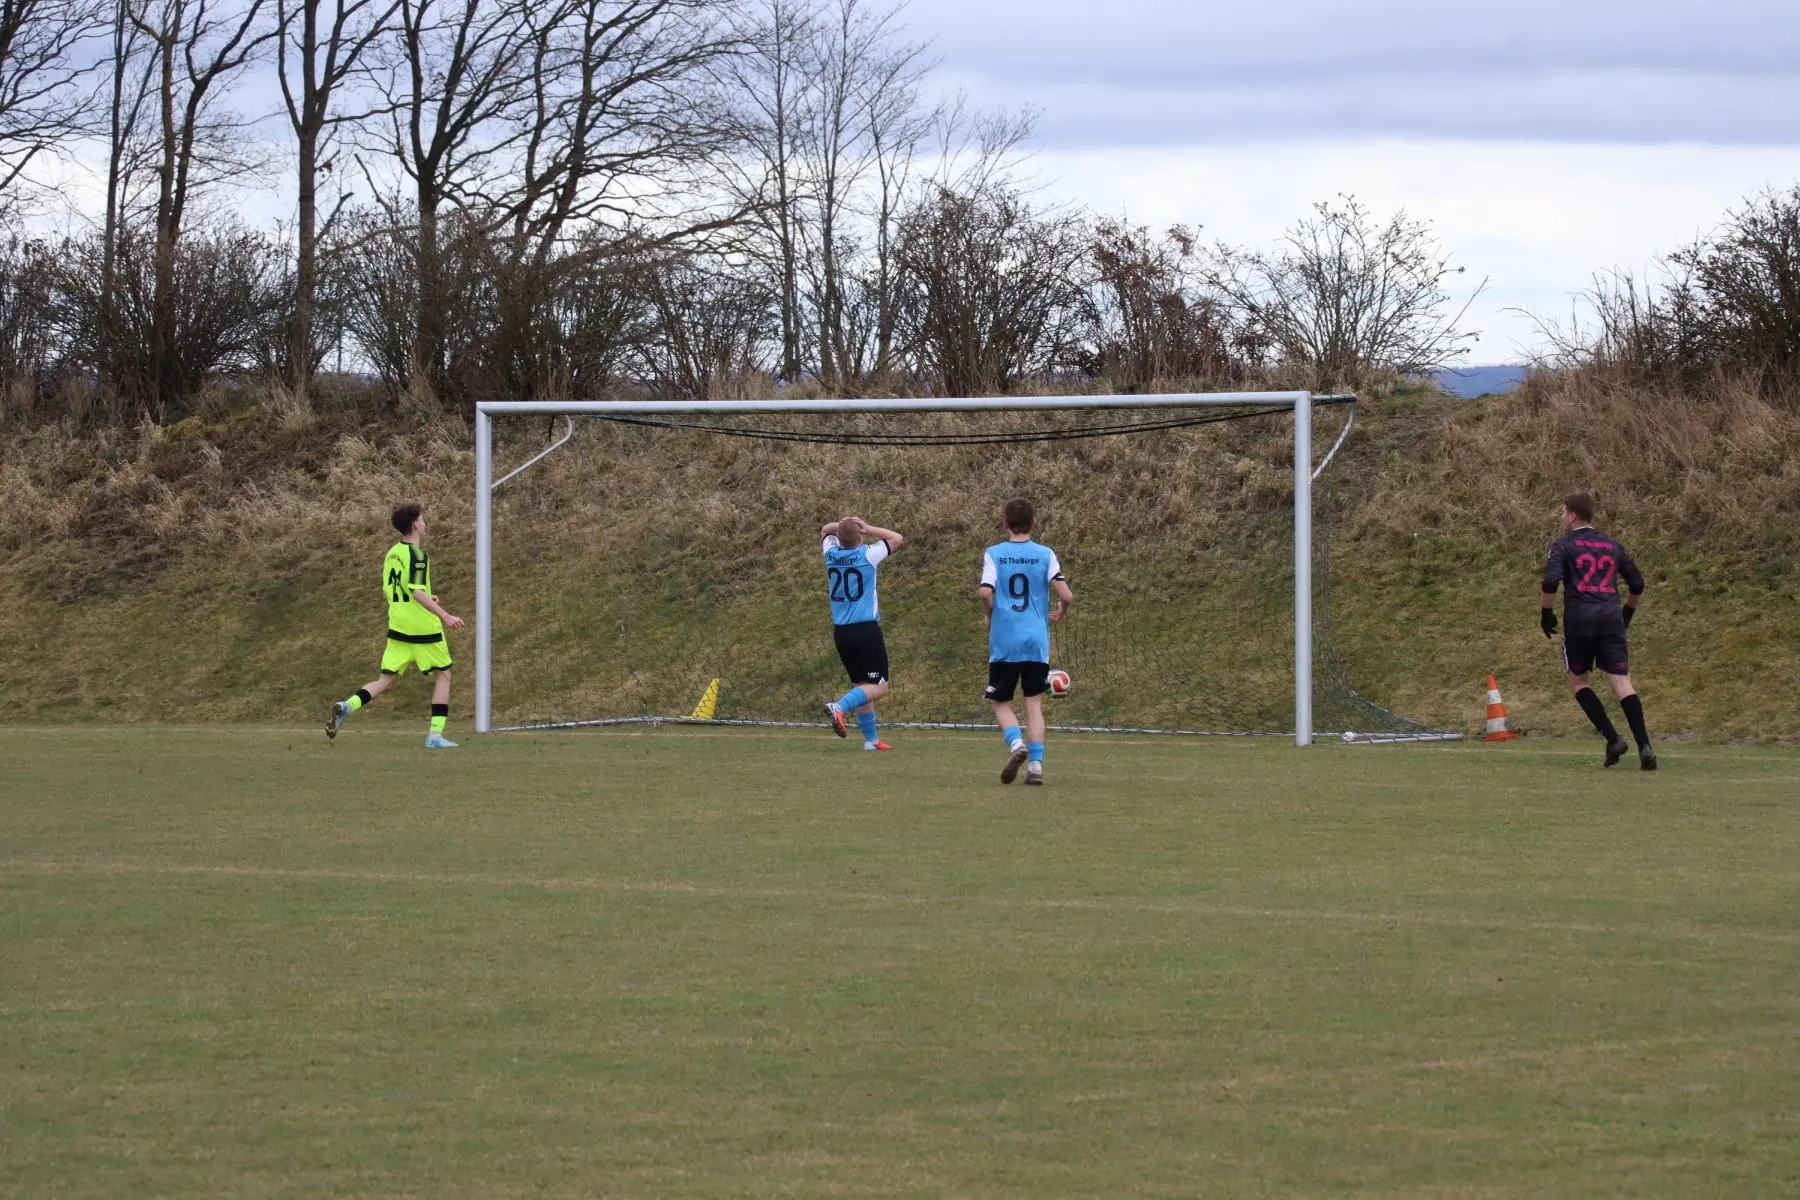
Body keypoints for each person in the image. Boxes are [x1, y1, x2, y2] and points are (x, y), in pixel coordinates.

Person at [326, 503, 465, 748]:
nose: (425, 523)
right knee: (443, 675)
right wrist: (446, 616)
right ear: (415, 525)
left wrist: (426, 597)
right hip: (423, 628)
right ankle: (435, 736)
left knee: (386, 680)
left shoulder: (392, 554)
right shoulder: (418, 555)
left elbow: (393, 590)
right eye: (422, 519)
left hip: (399, 626)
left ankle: (348, 705)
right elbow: (417, 592)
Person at [1541, 491, 1655, 770]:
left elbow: (1551, 581)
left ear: (1572, 516)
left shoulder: (1563, 545)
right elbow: (1637, 584)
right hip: (1610, 620)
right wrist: (1626, 614)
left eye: (1563, 512)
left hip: (1580, 622)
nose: (1562, 517)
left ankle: (1613, 738)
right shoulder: (1612, 544)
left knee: (1579, 683)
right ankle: (1645, 746)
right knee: (1623, 684)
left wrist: (1546, 613)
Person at [980, 497, 1074, 785]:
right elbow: (1067, 595)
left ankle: (1016, 744)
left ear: (1005, 524)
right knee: (1033, 704)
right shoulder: (1045, 554)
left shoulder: (995, 553)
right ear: (1034, 524)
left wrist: (990, 615)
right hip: (1036, 641)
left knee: (1001, 702)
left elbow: (984, 592)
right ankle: (1035, 767)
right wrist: (1062, 609)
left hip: (1005, 641)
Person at [821, 515, 906, 751]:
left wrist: (843, 524)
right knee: (879, 686)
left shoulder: (830, 553)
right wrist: (867, 527)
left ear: (838, 539)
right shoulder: (867, 554)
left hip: (841, 633)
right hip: (865, 631)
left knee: (862, 685)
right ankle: (839, 707)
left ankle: (871, 740)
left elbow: (825, 530)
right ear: (860, 538)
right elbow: (897, 538)